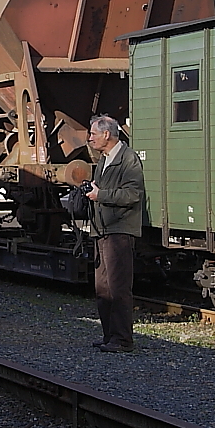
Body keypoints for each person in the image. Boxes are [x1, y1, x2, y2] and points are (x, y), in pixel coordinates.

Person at [85, 114, 145, 353]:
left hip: (119, 230)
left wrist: (101, 196)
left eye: (93, 134)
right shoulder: (104, 159)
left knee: (118, 287)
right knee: (103, 287)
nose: (90, 138)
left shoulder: (128, 159)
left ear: (107, 134)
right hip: (102, 230)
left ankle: (122, 339)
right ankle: (110, 335)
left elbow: (133, 194)